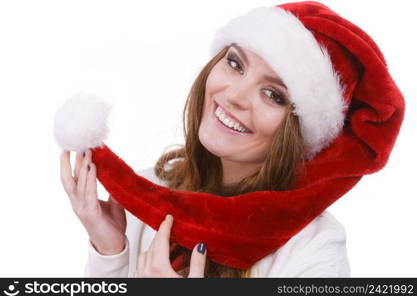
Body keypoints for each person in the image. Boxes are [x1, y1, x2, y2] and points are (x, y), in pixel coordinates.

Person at [58, 1, 404, 277]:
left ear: (299, 133)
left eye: (273, 94)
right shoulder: (153, 186)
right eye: (236, 64)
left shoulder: (313, 248)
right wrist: (109, 252)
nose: (235, 95)